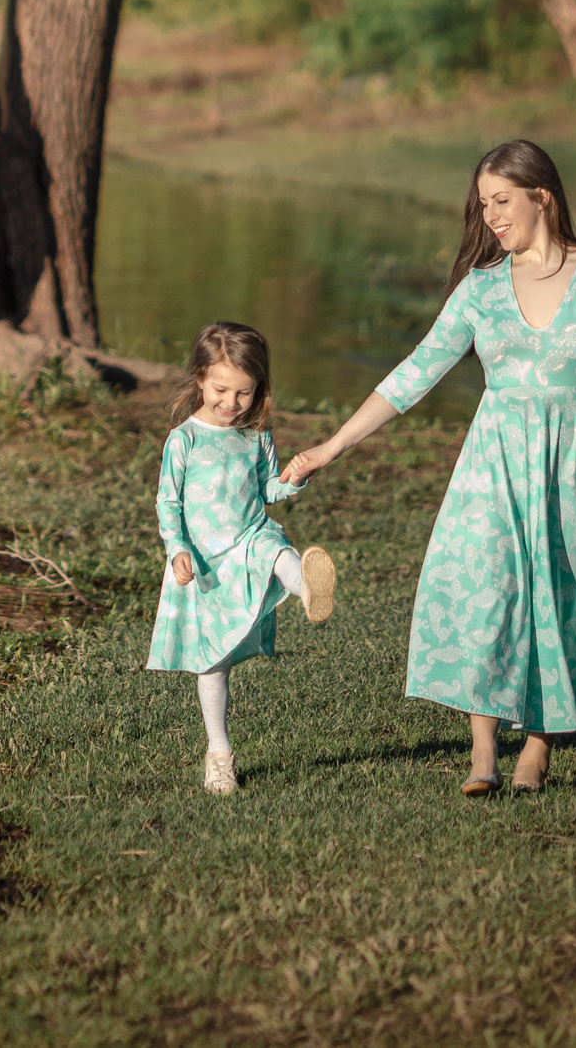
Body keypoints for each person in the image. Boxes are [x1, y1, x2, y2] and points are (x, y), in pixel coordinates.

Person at [281, 141, 576, 795]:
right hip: (493, 470)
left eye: (502, 200)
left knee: (560, 598)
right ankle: (483, 750)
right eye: (483, 203)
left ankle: (538, 747)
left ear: (541, 196)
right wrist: (331, 446)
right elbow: (416, 371)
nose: (490, 215)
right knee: (489, 593)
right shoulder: (482, 288)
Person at [145, 321, 338, 796]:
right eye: (221, 390)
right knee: (213, 665)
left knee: (276, 550)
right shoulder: (184, 440)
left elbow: (267, 491)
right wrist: (178, 549)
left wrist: (294, 479)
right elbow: (168, 503)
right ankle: (219, 755)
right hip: (206, 562)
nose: (231, 402)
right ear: (200, 380)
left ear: (259, 388)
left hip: (250, 537)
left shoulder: (256, 436)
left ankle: (308, 588)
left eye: (243, 393)